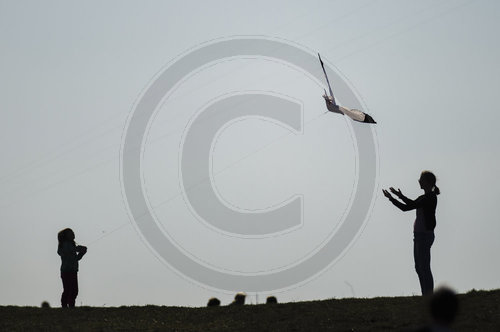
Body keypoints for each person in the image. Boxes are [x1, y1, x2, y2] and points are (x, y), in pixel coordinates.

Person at [383, 171, 440, 295]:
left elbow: (409, 206)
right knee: (419, 267)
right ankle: (425, 294)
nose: (419, 181)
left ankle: (428, 294)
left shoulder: (430, 197)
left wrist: (394, 198)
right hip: (419, 236)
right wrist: (397, 196)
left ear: (428, 182)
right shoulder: (424, 197)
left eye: (421, 179)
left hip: (424, 236)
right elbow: (409, 205)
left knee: (424, 267)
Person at [57, 228, 87, 308]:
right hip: (67, 271)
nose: (73, 234)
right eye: (70, 233)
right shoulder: (65, 244)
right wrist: (80, 249)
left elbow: (75, 258)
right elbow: (69, 251)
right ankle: (66, 306)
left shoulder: (70, 244)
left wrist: (81, 253)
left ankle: (70, 306)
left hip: (72, 270)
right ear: (65, 236)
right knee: (69, 290)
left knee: (73, 290)